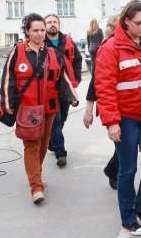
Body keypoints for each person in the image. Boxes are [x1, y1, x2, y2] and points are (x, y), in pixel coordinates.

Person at [95, 0, 141, 236]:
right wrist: (111, 122)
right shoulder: (111, 47)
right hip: (124, 116)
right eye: (139, 23)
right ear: (126, 21)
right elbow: (104, 87)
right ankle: (128, 218)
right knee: (127, 169)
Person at [1, 13, 64, 204]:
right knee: (32, 146)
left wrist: (73, 98)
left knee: (44, 145)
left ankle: (36, 174)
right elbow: (8, 78)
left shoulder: (52, 52)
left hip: (49, 107)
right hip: (28, 109)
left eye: (42, 30)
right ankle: (36, 187)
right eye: (35, 30)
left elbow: (63, 78)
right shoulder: (18, 50)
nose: (39, 34)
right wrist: (8, 102)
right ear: (27, 31)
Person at [83, 15, 119, 190]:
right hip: (111, 106)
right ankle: (114, 172)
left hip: (132, 106)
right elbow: (95, 82)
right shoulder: (105, 50)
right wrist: (88, 110)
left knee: (128, 146)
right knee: (124, 146)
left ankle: (113, 170)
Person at [44, 14, 82, 167]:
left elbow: (78, 60)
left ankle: (52, 143)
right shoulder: (41, 43)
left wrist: (77, 78)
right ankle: (61, 153)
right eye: (49, 22)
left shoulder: (67, 41)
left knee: (63, 118)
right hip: (50, 89)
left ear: (59, 25)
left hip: (66, 89)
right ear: (44, 25)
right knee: (55, 122)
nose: (52, 24)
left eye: (55, 22)